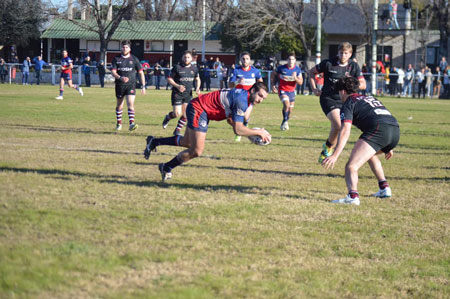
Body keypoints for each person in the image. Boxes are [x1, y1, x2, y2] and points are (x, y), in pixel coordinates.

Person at [144, 82, 271, 182]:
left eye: (263, 98)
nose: (261, 100)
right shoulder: (242, 100)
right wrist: (258, 132)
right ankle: (166, 167)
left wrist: (250, 133)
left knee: (187, 142)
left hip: (200, 108)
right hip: (199, 109)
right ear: (253, 90)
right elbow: (238, 129)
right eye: (260, 96)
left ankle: (154, 142)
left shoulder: (243, 96)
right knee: (197, 151)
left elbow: (231, 121)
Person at [322, 77, 400, 205]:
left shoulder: (349, 103)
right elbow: (383, 115)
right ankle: (384, 188)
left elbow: (345, 130)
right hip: (394, 132)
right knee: (370, 155)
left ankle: (353, 197)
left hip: (379, 131)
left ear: (342, 91)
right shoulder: (370, 98)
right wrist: (388, 144)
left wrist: (335, 155)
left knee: (351, 166)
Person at [308, 42, 366, 164]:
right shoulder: (328, 63)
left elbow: (363, 84)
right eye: (341, 53)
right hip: (329, 99)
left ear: (350, 54)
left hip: (345, 100)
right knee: (339, 125)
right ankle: (330, 151)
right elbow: (312, 72)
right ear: (338, 52)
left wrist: (350, 84)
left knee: (336, 127)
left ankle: (327, 147)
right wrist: (314, 88)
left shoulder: (354, 66)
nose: (343, 55)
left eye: (346, 53)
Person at [161, 50, 201, 136]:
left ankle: (177, 130)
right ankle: (168, 117)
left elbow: (197, 79)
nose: (186, 59)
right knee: (176, 114)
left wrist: (197, 88)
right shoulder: (177, 67)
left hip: (188, 94)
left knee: (186, 114)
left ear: (192, 58)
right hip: (177, 93)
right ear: (182, 58)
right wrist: (177, 86)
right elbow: (169, 78)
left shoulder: (194, 69)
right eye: (185, 57)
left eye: (188, 57)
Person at [111, 41, 146, 131]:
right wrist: (120, 77)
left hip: (131, 85)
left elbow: (141, 72)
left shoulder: (134, 59)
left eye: (126, 47)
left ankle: (131, 124)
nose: (124, 49)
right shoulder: (116, 59)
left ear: (129, 49)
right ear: (121, 48)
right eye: (123, 47)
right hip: (120, 85)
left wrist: (143, 86)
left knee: (130, 104)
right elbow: (113, 72)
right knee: (119, 105)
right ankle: (119, 123)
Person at [229, 52, 263, 141]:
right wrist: (237, 81)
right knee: (231, 118)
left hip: (250, 98)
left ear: (250, 60)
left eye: (247, 58)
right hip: (238, 98)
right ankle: (240, 130)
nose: (245, 60)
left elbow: (260, 82)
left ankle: (243, 128)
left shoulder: (255, 71)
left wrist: (259, 89)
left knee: (245, 116)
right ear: (240, 60)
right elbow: (230, 85)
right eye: (243, 59)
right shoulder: (236, 70)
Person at [270, 53, 303, 131]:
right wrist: (273, 85)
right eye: (289, 59)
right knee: (286, 105)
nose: (291, 61)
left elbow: (301, 82)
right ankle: (285, 121)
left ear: (295, 60)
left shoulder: (297, 69)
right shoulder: (281, 68)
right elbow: (273, 74)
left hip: (291, 91)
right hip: (282, 90)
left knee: (289, 110)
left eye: (292, 59)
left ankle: (285, 121)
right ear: (287, 60)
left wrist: (295, 78)